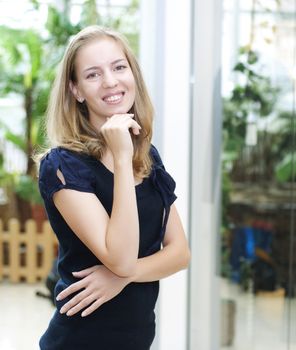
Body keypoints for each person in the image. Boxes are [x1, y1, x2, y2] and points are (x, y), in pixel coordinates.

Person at [37, 25, 190, 349]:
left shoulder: (146, 156)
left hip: (137, 339)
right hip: (80, 341)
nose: (110, 81)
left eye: (119, 67)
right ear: (76, 90)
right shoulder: (63, 166)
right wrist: (121, 159)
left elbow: (179, 253)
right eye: (93, 74)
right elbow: (120, 257)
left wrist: (120, 277)